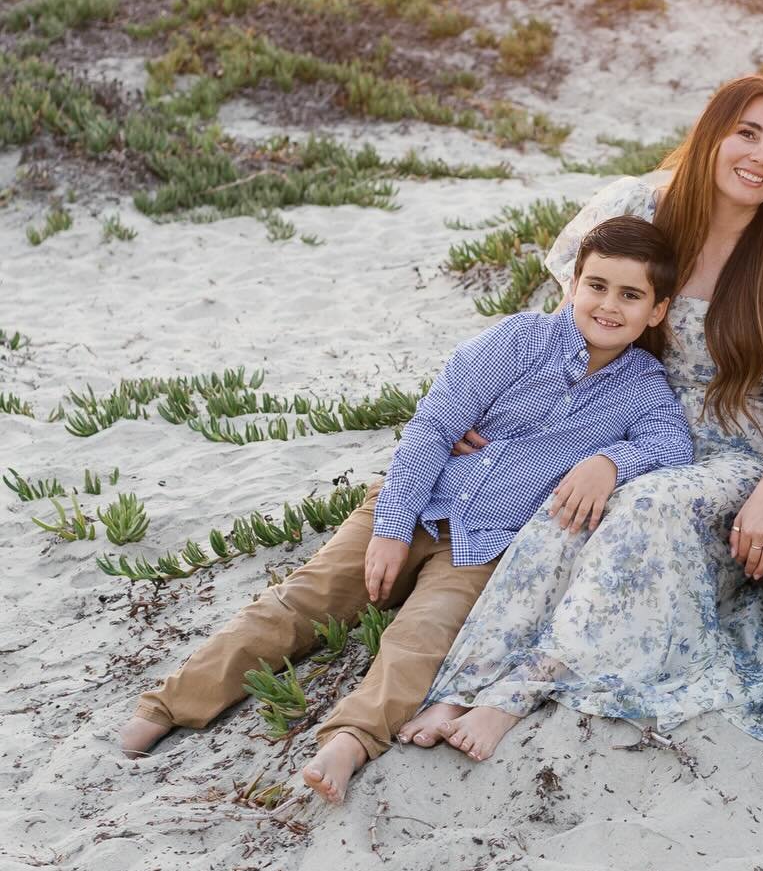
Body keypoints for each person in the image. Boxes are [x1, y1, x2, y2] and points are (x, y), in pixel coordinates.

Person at [116, 217, 692, 804]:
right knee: (302, 601)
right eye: (597, 285)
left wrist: (610, 463)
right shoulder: (517, 342)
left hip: (484, 545)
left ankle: (349, 739)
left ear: (657, 310)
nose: (608, 305)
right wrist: (390, 530)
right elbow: (432, 429)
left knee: (420, 640)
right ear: (573, 283)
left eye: (630, 295)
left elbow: (674, 447)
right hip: (412, 504)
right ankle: (171, 704)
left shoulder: (644, 389)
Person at [399, 72, 763, 760]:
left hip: (732, 457)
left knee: (643, 504)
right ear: (711, 135)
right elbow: (572, 331)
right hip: (614, 426)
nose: (761, 157)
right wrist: (510, 416)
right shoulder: (637, 207)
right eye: (747, 134)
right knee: (566, 509)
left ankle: (516, 691)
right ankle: (462, 685)